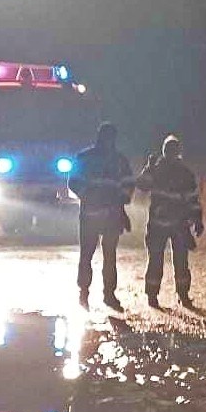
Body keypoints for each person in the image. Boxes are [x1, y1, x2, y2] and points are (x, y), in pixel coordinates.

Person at [70, 122, 133, 309]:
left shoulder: (117, 160)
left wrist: (122, 207)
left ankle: (108, 294)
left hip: (108, 214)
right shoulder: (87, 158)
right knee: (88, 255)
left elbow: (128, 185)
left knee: (108, 256)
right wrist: (88, 196)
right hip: (94, 214)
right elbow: (73, 182)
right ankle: (85, 292)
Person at [137, 134, 203, 308]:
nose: (171, 153)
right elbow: (142, 186)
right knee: (156, 260)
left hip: (179, 225)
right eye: (169, 150)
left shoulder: (185, 173)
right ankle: (152, 295)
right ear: (164, 151)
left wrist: (197, 220)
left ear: (178, 152)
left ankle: (183, 294)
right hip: (160, 224)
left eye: (173, 150)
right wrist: (148, 168)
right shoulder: (156, 169)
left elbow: (192, 199)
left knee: (181, 262)